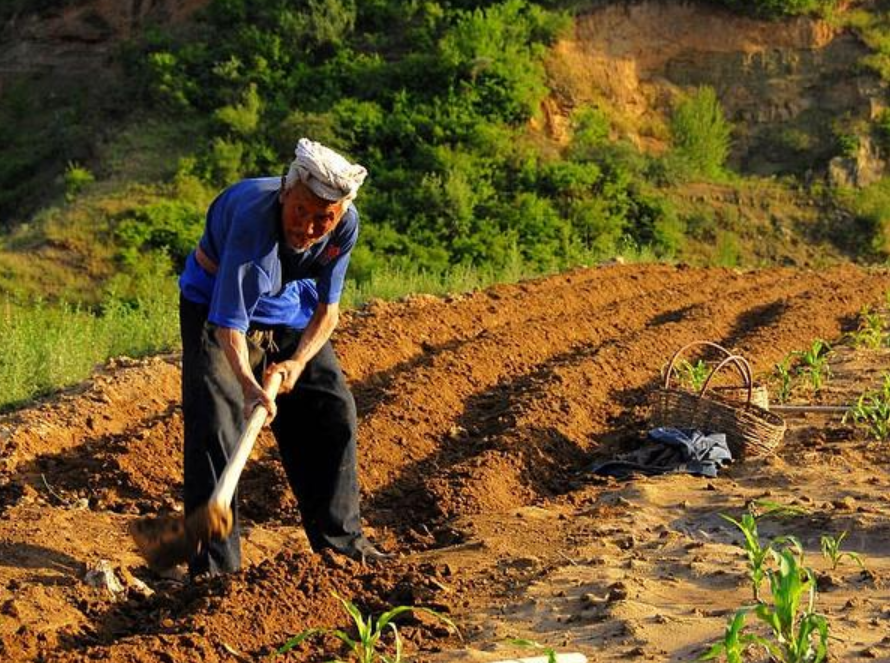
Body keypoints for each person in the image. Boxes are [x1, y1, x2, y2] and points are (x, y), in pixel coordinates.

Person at [177, 138, 388, 577]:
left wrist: (297, 362)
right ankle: (216, 571)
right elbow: (229, 327)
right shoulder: (253, 222)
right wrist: (252, 388)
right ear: (285, 193)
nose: (309, 228)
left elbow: (328, 311)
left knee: (332, 409)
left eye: (323, 220)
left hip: (289, 313)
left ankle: (342, 547)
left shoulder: (345, 224)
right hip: (215, 308)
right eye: (301, 212)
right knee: (217, 422)